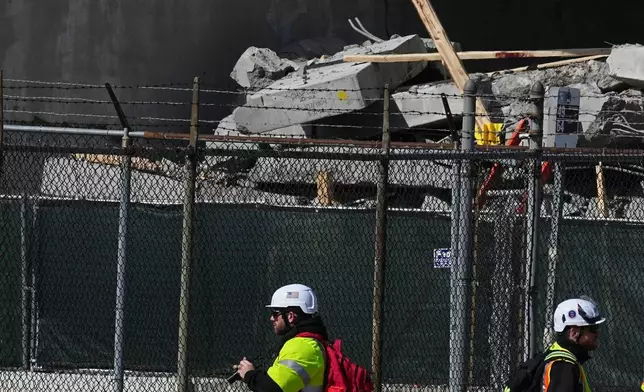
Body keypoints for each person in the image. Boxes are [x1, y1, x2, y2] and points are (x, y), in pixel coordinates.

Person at [235, 283, 328, 392]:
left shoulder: (302, 346)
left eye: (275, 313)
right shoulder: (307, 344)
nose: (271, 318)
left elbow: (273, 389)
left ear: (290, 316)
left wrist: (249, 374)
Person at [540, 296, 606, 392]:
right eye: (593, 329)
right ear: (573, 333)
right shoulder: (564, 366)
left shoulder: (554, 357)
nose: (597, 333)